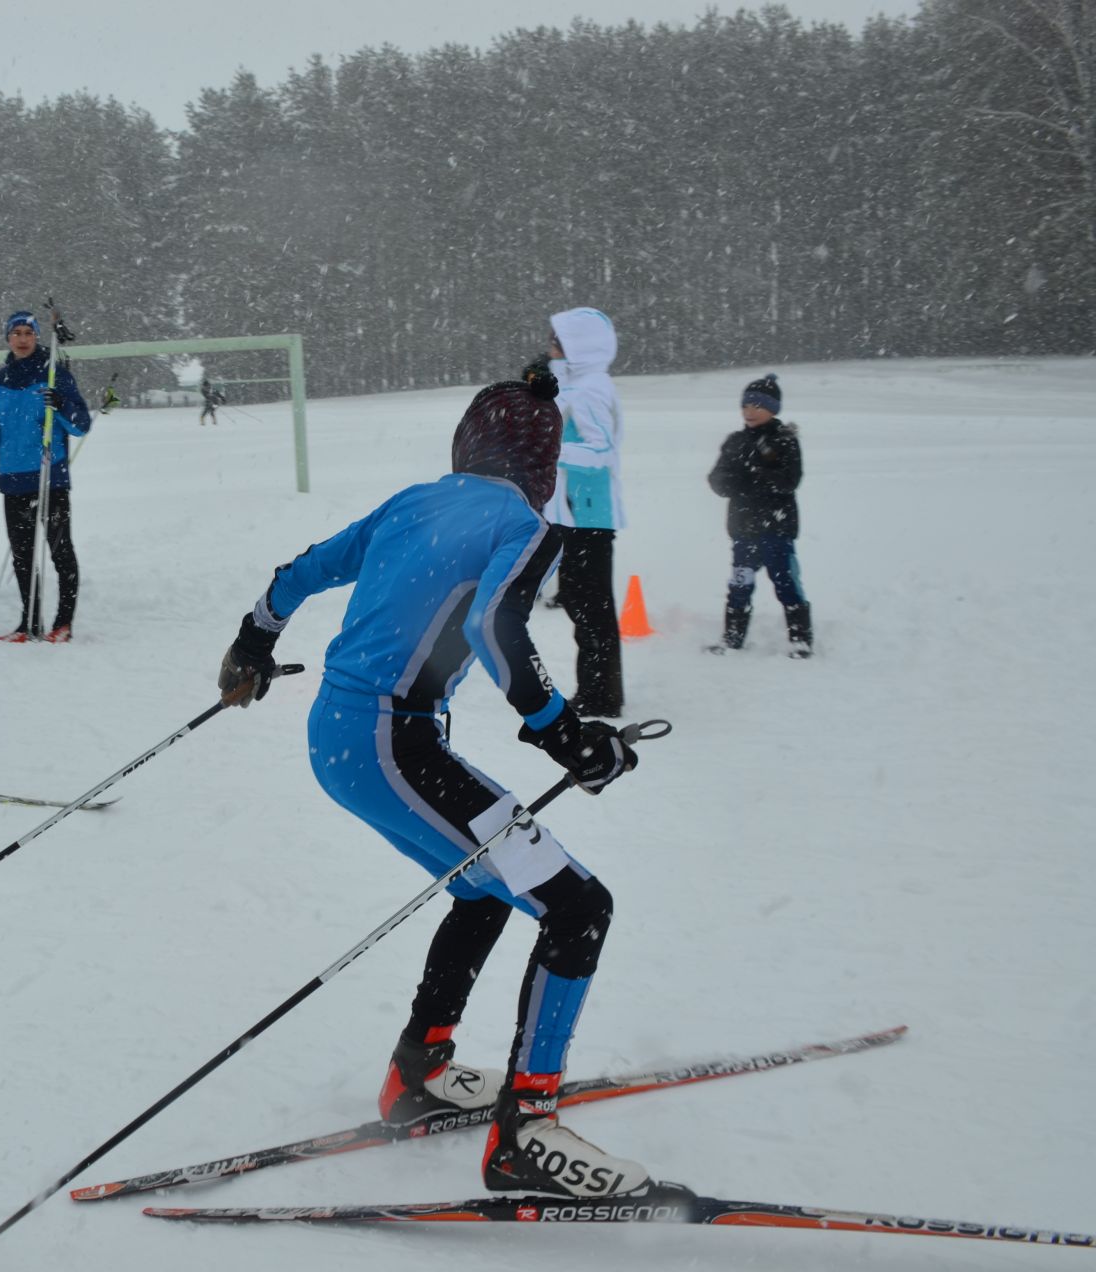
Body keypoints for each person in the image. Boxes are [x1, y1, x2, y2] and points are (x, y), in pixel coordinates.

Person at [216, 363, 648, 1199]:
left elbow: (300, 572)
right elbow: (494, 626)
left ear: (467, 442)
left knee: (485, 889)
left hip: (344, 739)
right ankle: (526, 1130)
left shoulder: (413, 500)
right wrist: (568, 738)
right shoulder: (524, 523)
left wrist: (252, 644)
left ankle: (419, 1072)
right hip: (391, 743)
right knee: (576, 906)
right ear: (544, 467)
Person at [0, 309, 92, 642]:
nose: (22, 339)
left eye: (28, 333)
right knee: (22, 557)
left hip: (50, 478)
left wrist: (60, 403)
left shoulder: (55, 375)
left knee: (60, 550)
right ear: (8, 338)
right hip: (13, 478)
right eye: (16, 333)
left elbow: (81, 425)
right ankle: (29, 623)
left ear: (37, 336)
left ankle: (63, 624)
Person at [541, 308, 626, 718]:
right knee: (579, 604)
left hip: (589, 516)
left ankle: (601, 696)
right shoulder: (576, 385)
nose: (550, 347)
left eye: (557, 341)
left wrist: (552, 450)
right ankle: (596, 691)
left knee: (592, 610)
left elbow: (603, 451)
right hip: (574, 515)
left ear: (578, 347)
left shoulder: (591, 389)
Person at [706, 373, 810, 657]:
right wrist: (737, 480)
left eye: (757, 406)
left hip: (776, 528)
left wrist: (754, 474)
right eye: (745, 406)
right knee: (739, 585)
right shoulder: (735, 441)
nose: (749, 412)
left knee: (786, 583)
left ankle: (800, 640)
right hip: (743, 529)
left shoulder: (785, 440)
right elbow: (717, 479)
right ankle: (732, 638)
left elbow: (789, 480)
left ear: (772, 409)